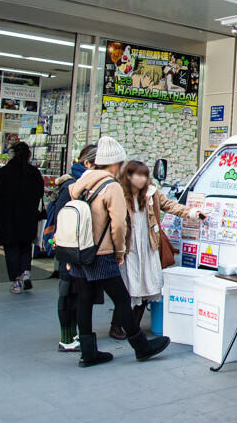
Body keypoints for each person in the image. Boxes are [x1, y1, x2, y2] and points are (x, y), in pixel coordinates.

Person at [67, 136, 169, 367]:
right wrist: (120, 252)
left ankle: (88, 352)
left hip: (80, 251)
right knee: (123, 299)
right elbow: (119, 224)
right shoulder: (111, 185)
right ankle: (141, 347)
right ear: (115, 162)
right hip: (101, 253)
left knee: (84, 300)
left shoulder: (83, 181)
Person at [110, 160, 205, 340]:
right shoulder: (119, 194)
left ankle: (134, 327)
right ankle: (116, 326)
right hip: (129, 247)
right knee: (127, 287)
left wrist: (192, 212)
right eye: (138, 175)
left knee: (148, 284)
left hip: (148, 245)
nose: (142, 179)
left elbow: (171, 206)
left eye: (144, 175)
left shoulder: (152, 193)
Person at [47, 144, 98, 351]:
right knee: (69, 291)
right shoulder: (73, 186)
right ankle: (67, 339)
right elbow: (65, 220)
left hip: (77, 247)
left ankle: (75, 335)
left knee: (77, 291)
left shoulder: (80, 181)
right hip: (70, 248)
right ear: (87, 163)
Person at [0, 142, 45, 294]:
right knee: (25, 245)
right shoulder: (34, 172)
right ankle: (26, 272)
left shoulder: (4, 172)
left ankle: (16, 281)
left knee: (11, 248)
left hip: (7, 216)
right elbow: (40, 193)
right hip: (28, 216)